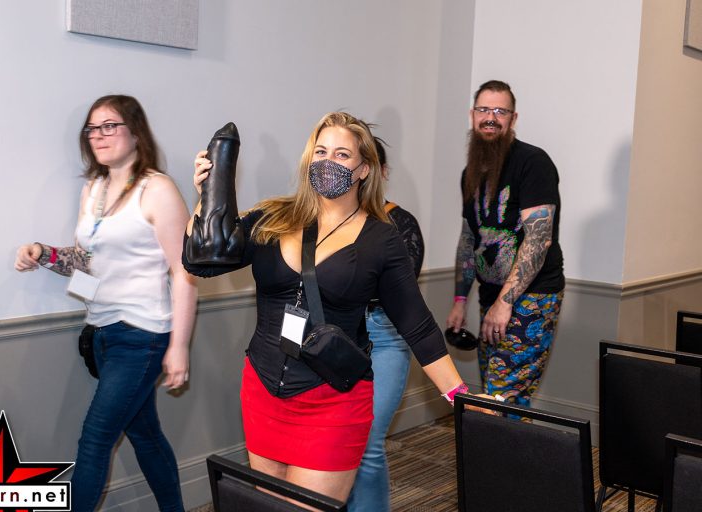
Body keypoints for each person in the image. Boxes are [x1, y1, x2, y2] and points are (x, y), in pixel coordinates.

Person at [183, 112, 473, 505]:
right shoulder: (272, 217)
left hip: (333, 402)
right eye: (320, 152)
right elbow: (202, 262)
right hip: (263, 391)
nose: (328, 161)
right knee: (269, 506)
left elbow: (416, 325)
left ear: (364, 169)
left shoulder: (381, 239)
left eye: (341, 154)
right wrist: (207, 196)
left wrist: (461, 397)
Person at [14, 95, 197, 511]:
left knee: (95, 439)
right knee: (145, 434)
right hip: (101, 331)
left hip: (144, 335)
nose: (98, 135)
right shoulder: (93, 189)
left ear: (136, 132)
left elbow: (184, 272)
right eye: (92, 128)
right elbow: (86, 262)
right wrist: (43, 253)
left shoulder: (157, 189)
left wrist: (179, 346)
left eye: (109, 126)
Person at [445, 80, 565, 408]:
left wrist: (505, 302)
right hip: (491, 298)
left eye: (500, 111)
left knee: (501, 397)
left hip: (530, 298)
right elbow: (469, 238)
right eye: (484, 110)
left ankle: (506, 442)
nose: (491, 117)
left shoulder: (533, 162)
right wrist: (460, 300)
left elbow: (538, 240)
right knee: (496, 393)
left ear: (513, 118)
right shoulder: (470, 172)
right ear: (472, 115)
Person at [346, 136, 424, 512]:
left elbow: (400, 296)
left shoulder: (400, 223)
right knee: (335, 441)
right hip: (335, 335)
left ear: (379, 172)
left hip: (384, 334)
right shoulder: (327, 218)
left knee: (367, 442)